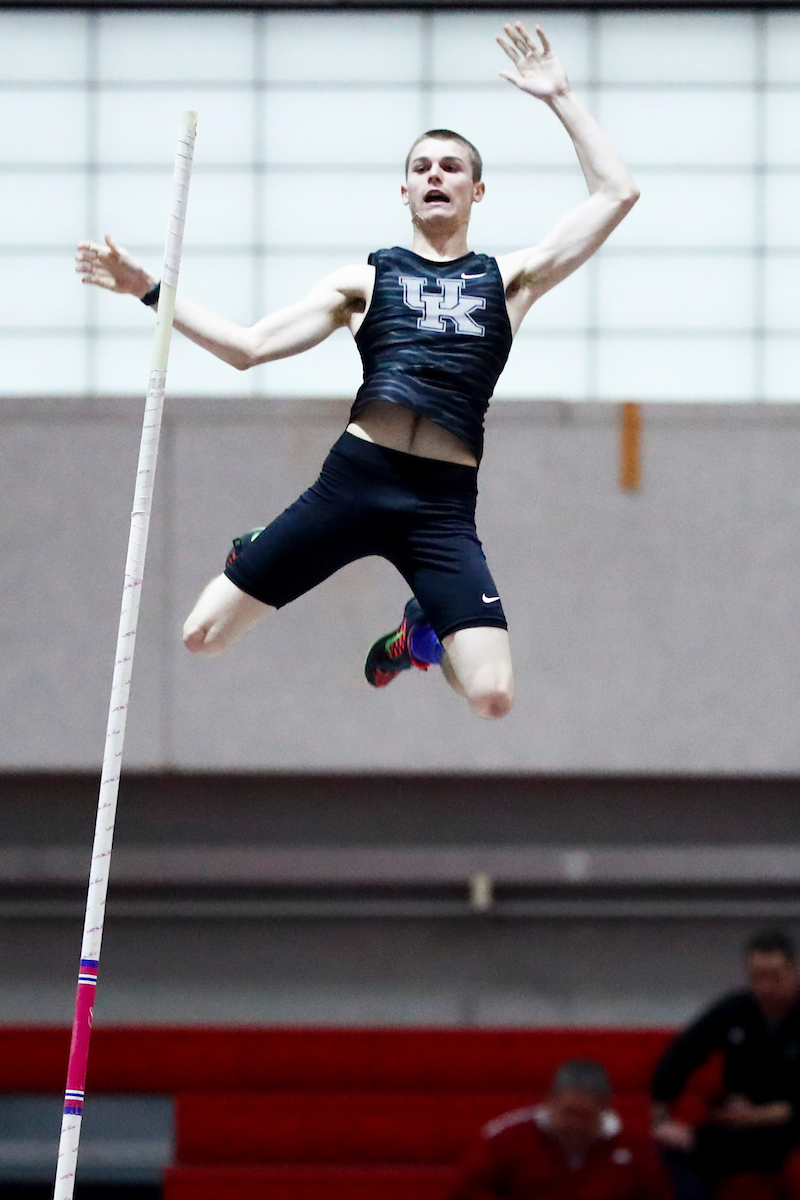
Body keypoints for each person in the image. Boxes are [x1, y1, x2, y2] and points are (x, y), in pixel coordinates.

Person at [75, 22, 639, 721]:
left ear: (477, 192)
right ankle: (268, 547)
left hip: (441, 504)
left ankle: (417, 638)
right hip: (354, 482)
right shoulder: (364, 281)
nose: (436, 176)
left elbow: (616, 195)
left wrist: (561, 98)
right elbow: (246, 347)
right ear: (403, 191)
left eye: (452, 168)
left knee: (493, 696)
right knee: (201, 636)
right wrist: (148, 290)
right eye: (423, 168)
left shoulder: (512, 279)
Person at [652, 930, 800, 1200]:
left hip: (787, 1126)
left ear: (794, 971)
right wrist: (662, 1113)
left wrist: (764, 1114)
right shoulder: (736, 1009)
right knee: (671, 1148)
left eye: (775, 977)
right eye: (758, 977)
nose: (766, 987)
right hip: (736, 1124)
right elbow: (684, 1052)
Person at [451, 1058, 674, 1200]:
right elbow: (467, 1190)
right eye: (568, 1113)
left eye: (584, 1116)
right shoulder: (505, 1138)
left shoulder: (635, 1149)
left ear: (603, 1109)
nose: (574, 1125)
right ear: (551, 1101)